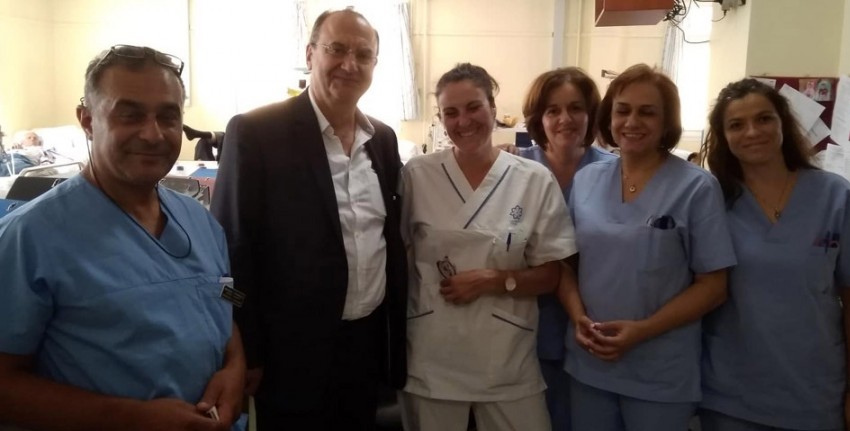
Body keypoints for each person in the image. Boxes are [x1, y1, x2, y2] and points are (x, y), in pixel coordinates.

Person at [0, 45, 245, 430]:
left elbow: (225, 296)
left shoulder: (201, 223)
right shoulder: (29, 239)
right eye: (130, 115)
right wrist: (129, 418)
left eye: (168, 116)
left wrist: (235, 366)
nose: (153, 134)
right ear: (87, 120)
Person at [211, 8, 407, 430]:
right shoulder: (257, 132)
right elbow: (231, 250)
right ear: (310, 53)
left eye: (363, 54)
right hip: (289, 353)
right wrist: (246, 348)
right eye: (337, 49)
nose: (349, 64)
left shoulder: (383, 140)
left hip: (366, 344)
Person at [699, 78, 850, 431]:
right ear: (723, 136)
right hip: (731, 396)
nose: (752, 132)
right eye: (736, 125)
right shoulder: (712, 201)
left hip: (815, 394)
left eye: (764, 118)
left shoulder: (834, 196)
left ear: (783, 123)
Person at [557, 63, 736, 431]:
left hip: (660, 372)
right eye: (622, 110)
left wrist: (643, 330)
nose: (632, 122)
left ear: (667, 121)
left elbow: (714, 286)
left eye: (647, 112)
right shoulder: (587, 180)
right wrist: (577, 317)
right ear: (609, 117)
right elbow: (565, 265)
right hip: (590, 362)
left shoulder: (696, 187)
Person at [399, 62, 577, 431]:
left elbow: (551, 274)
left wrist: (493, 280)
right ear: (440, 119)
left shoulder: (533, 180)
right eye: (451, 112)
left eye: (473, 107)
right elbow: (396, 256)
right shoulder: (416, 175)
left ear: (493, 109)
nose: (463, 121)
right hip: (433, 353)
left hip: (506, 356)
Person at [518, 66, 616, 431]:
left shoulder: (617, 173)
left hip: (597, 322)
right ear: (538, 118)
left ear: (591, 114)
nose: (565, 119)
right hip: (528, 320)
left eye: (576, 108)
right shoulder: (514, 168)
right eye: (553, 110)